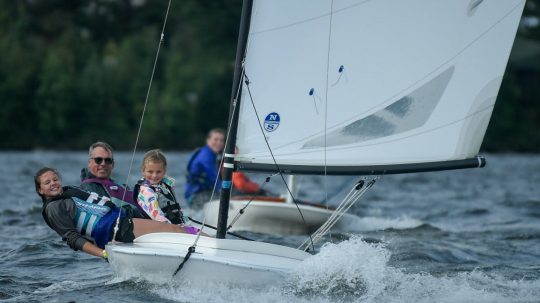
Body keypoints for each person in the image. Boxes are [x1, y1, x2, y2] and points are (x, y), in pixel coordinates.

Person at [34, 167, 197, 260]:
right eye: (47, 183)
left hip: (120, 221)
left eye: (55, 179)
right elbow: (73, 238)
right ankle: (206, 247)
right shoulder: (53, 209)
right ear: (40, 190)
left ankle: (197, 242)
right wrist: (104, 253)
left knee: (173, 226)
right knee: (173, 230)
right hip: (116, 229)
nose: (53, 183)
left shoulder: (67, 192)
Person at [134, 149, 199, 235]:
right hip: (161, 231)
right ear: (143, 171)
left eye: (159, 172)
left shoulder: (166, 185)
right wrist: (176, 229)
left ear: (164, 171)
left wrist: (187, 224)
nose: (154, 175)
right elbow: (157, 217)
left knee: (200, 233)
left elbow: (177, 209)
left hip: (175, 227)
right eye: (150, 172)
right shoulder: (147, 192)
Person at [79, 141, 145, 217]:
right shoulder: (89, 187)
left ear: (112, 164)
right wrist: (137, 213)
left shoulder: (120, 184)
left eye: (107, 161)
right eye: (98, 160)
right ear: (89, 162)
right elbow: (103, 215)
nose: (103, 164)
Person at [184, 128, 225, 208]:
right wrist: (225, 196)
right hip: (195, 196)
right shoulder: (206, 155)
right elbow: (214, 179)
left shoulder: (211, 154)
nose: (219, 143)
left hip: (203, 192)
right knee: (224, 199)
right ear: (208, 140)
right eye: (216, 139)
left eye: (221, 140)